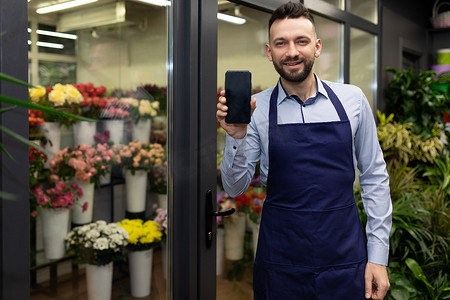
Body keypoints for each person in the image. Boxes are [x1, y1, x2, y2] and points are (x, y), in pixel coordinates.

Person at [216, 2, 392, 299]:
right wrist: (235, 137)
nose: (292, 51)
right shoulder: (256, 109)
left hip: (344, 257)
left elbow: (374, 177)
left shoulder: (353, 100)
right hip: (281, 260)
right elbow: (235, 188)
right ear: (269, 51)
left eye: (301, 41)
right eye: (281, 43)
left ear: (317, 46)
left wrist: (378, 255)